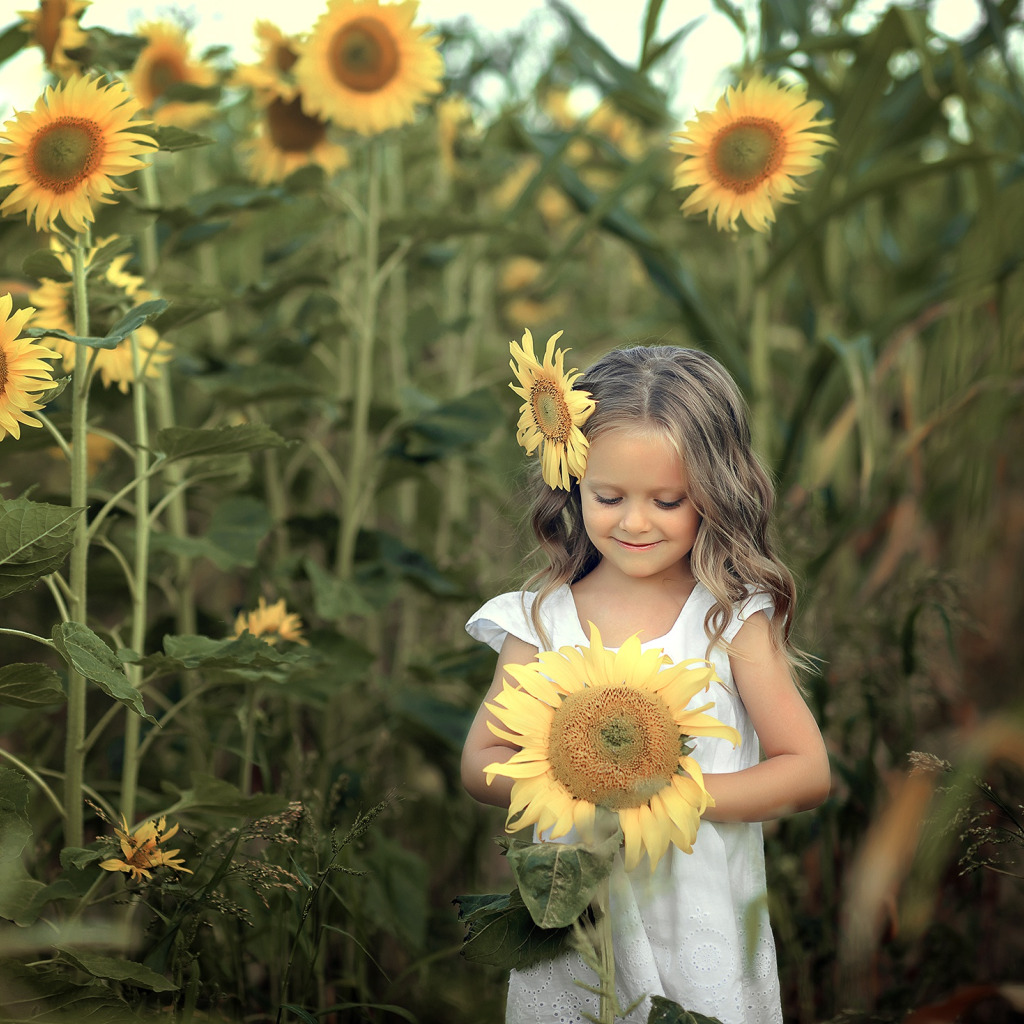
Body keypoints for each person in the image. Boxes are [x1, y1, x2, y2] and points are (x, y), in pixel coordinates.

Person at [461, 337, 831, 1024]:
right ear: (573, 482)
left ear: (717, 495)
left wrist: (665, 794)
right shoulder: (540, 618)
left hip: (698, 926)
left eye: (667, 501)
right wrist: (574, 786)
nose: (633, 522)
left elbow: (806, 771)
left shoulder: (728, 619)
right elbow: (479, 763)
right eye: (608, 496)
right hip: (574, 930)